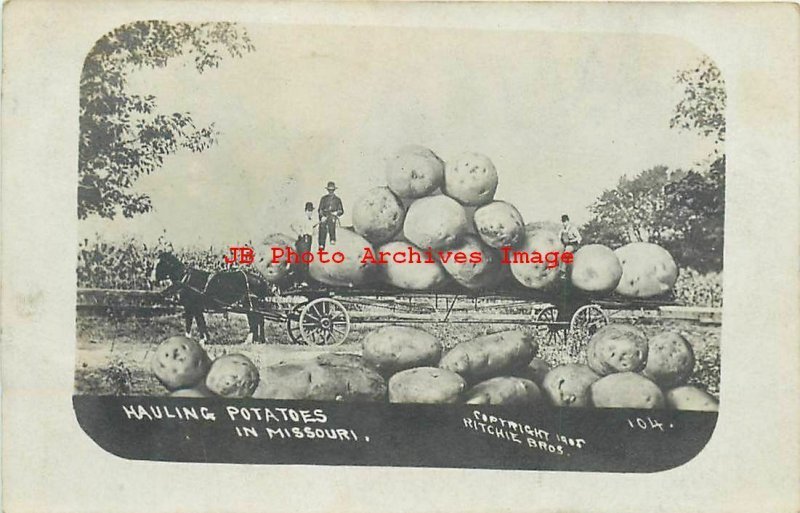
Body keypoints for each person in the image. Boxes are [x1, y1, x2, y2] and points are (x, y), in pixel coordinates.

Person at [291, 202, 317, 285]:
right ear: (306, 211)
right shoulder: (302, 219)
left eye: (311, 211)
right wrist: (300, 233)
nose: (310, 212)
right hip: (304, 239)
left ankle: (301, 280)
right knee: (303, 260)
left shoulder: (311, 220)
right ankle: (302, 280)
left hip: (309, 239)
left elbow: (313, 228)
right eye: (309, 210)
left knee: (306, 260)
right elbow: (293, 225)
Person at [318, 181, 344, 249]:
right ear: (327, 190)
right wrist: (322, 216)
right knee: (322, 225)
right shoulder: (323, 199)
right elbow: (320, 209)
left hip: (333, 215)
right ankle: (321, 244)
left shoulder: (337, 199)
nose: (331, 192)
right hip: (325, 215)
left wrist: (336, 213)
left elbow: (341, 210)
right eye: (329, 190)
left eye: (332, 190)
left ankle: (332, 238)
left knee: (331, 221)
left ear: (334, 190)